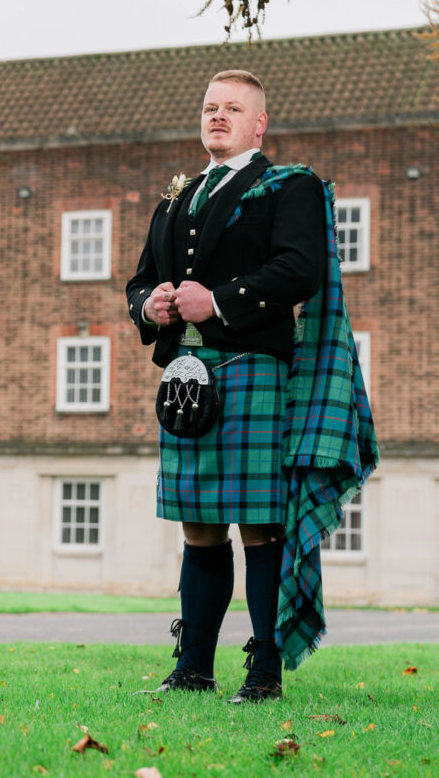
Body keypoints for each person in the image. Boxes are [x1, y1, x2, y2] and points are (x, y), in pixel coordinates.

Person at [125, 69, 328, 703]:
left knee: (260, 523)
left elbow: (301, 268)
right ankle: (193, 668)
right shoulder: (175, 198)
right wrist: (148, 306)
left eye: (233, 108)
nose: (218, 116)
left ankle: (264, 669)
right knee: (198, 523)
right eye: (211, 106)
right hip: (186, 381)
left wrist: (218, 300)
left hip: (250, 370)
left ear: (258, 123)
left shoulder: (285, 187)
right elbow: (140, 280)